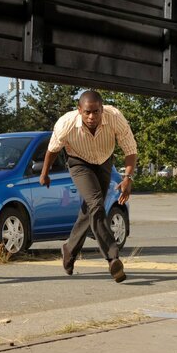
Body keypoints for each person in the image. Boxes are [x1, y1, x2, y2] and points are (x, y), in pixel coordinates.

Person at [39, 90, 137, 282]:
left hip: (104, 160)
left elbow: (130, 149)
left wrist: (128, 178)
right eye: (87, 112)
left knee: (90, 209)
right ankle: (112, 257)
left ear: (102, 109)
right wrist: (45, 173)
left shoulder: (115, 117)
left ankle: (69, 249)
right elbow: (52, 150)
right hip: (79, 162)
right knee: (96, 204)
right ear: (79, 110)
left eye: (96, 112)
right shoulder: (66, 124)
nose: (92, 117)